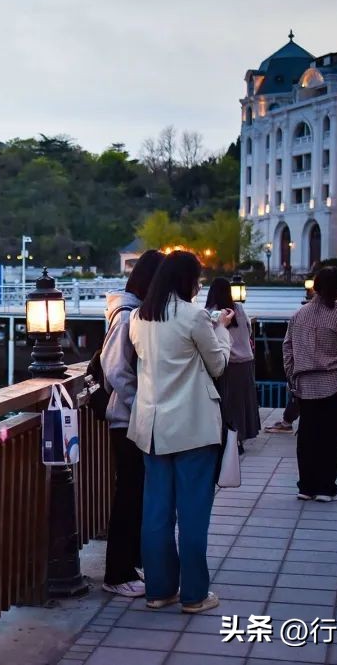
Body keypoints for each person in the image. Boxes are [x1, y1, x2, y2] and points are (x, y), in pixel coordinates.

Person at [129, 251, 232, 614]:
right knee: (192, 514)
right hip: (192, 428)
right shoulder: (194, 316)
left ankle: (158, 590)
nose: (199, 284)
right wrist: (221, 329)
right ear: (187, 280)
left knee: (156, 513)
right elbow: (217, 365)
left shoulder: (138, 317)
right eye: (197, 278)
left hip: (151, 428)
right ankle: (194, 595)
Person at [99, 249, 166, 597]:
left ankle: (129, 565)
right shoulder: (126, 315)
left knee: (137, 494)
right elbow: (115, 368)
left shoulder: (133, 311)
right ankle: (117, 573)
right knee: (128, 496)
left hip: (132, 418)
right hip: (126, 420)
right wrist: (140, 403)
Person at [283, 267, 337, 502]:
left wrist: (292, 373)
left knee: (307, 435)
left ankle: (306, 485)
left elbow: (287, 346)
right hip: (335, 381)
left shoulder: (299, 315)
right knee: (330, 436)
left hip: (306, 382)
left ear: (316, 287)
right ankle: (326, 487)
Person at [204, 277, 261, 445]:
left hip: (229, 363)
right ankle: (241, 438)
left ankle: (231, 440)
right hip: (246, 361)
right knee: (244, 402)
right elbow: (249, 330)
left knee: (229, 403)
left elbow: (209, 337)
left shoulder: (212, 312)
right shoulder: (239, 309)